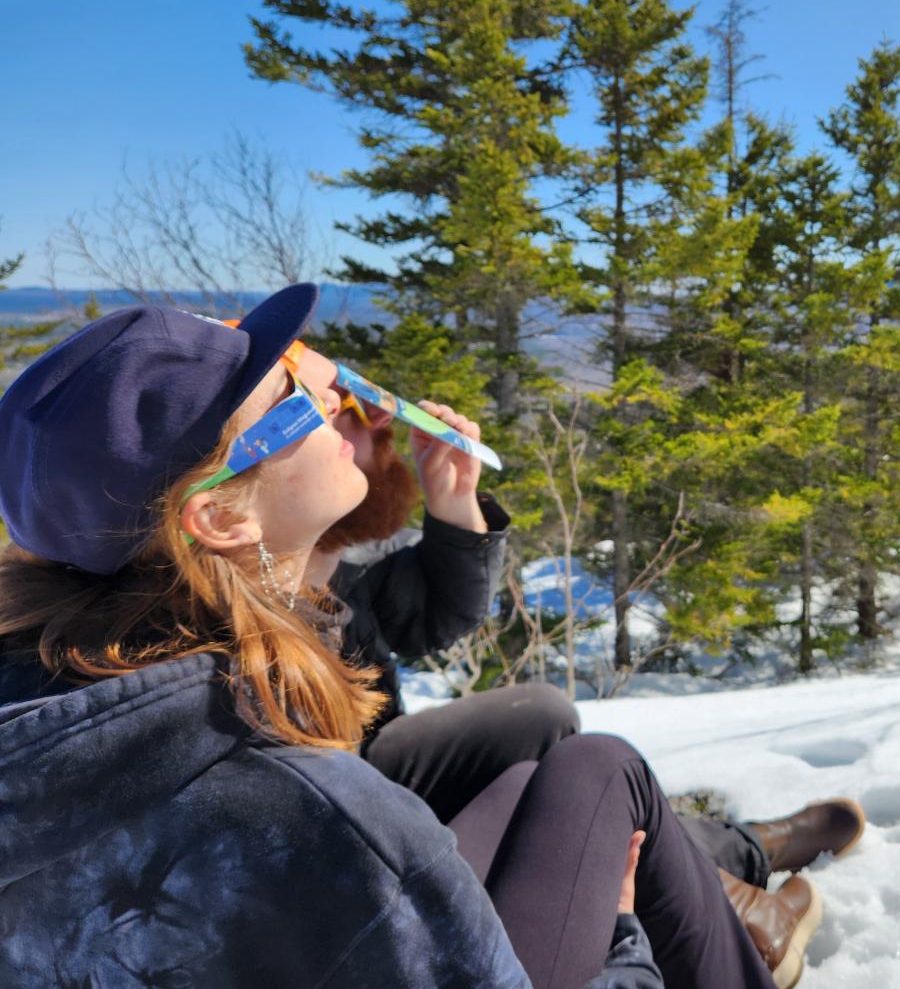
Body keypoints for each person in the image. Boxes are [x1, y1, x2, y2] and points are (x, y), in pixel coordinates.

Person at [0, 285, 776, 988]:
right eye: (293, 397)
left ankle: (724, 867)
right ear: (222, 517)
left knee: (531, 773)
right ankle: (737, 897)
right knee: (603, 770)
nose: (333, 390)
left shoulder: (61, 678)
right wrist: (621, 933)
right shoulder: (313, 806)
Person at [289, 341, 864, 984]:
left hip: (370, 802)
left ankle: (724, 854)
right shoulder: (239, 623)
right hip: (362, 859)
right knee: (577, 765)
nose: (376, 417)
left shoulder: (305, 574)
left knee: (538, 722)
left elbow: (430, 611)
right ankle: (729, 877)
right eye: (334, 405)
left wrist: (452, 501)